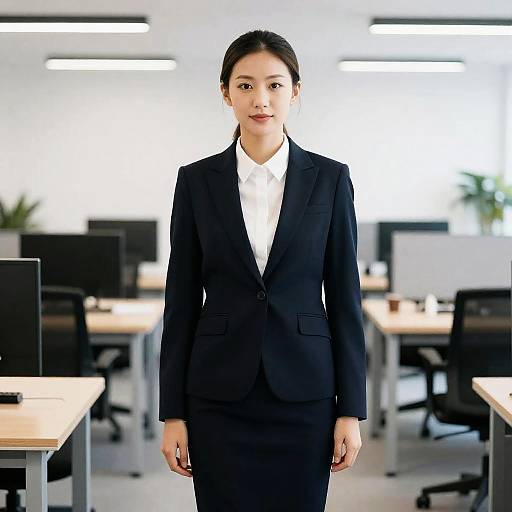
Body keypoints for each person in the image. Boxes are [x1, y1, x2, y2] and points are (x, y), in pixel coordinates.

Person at [159, 29, 367, 512]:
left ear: (295, 92)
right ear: (226, 93)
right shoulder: (195, 181)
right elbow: (182, 301)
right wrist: (174, 413)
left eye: (274, 85)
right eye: (246, 85)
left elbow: (344, 298)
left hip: (304, 392)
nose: (261, 99)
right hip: (218, 394)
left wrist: (350, 410)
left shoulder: (330, 179)